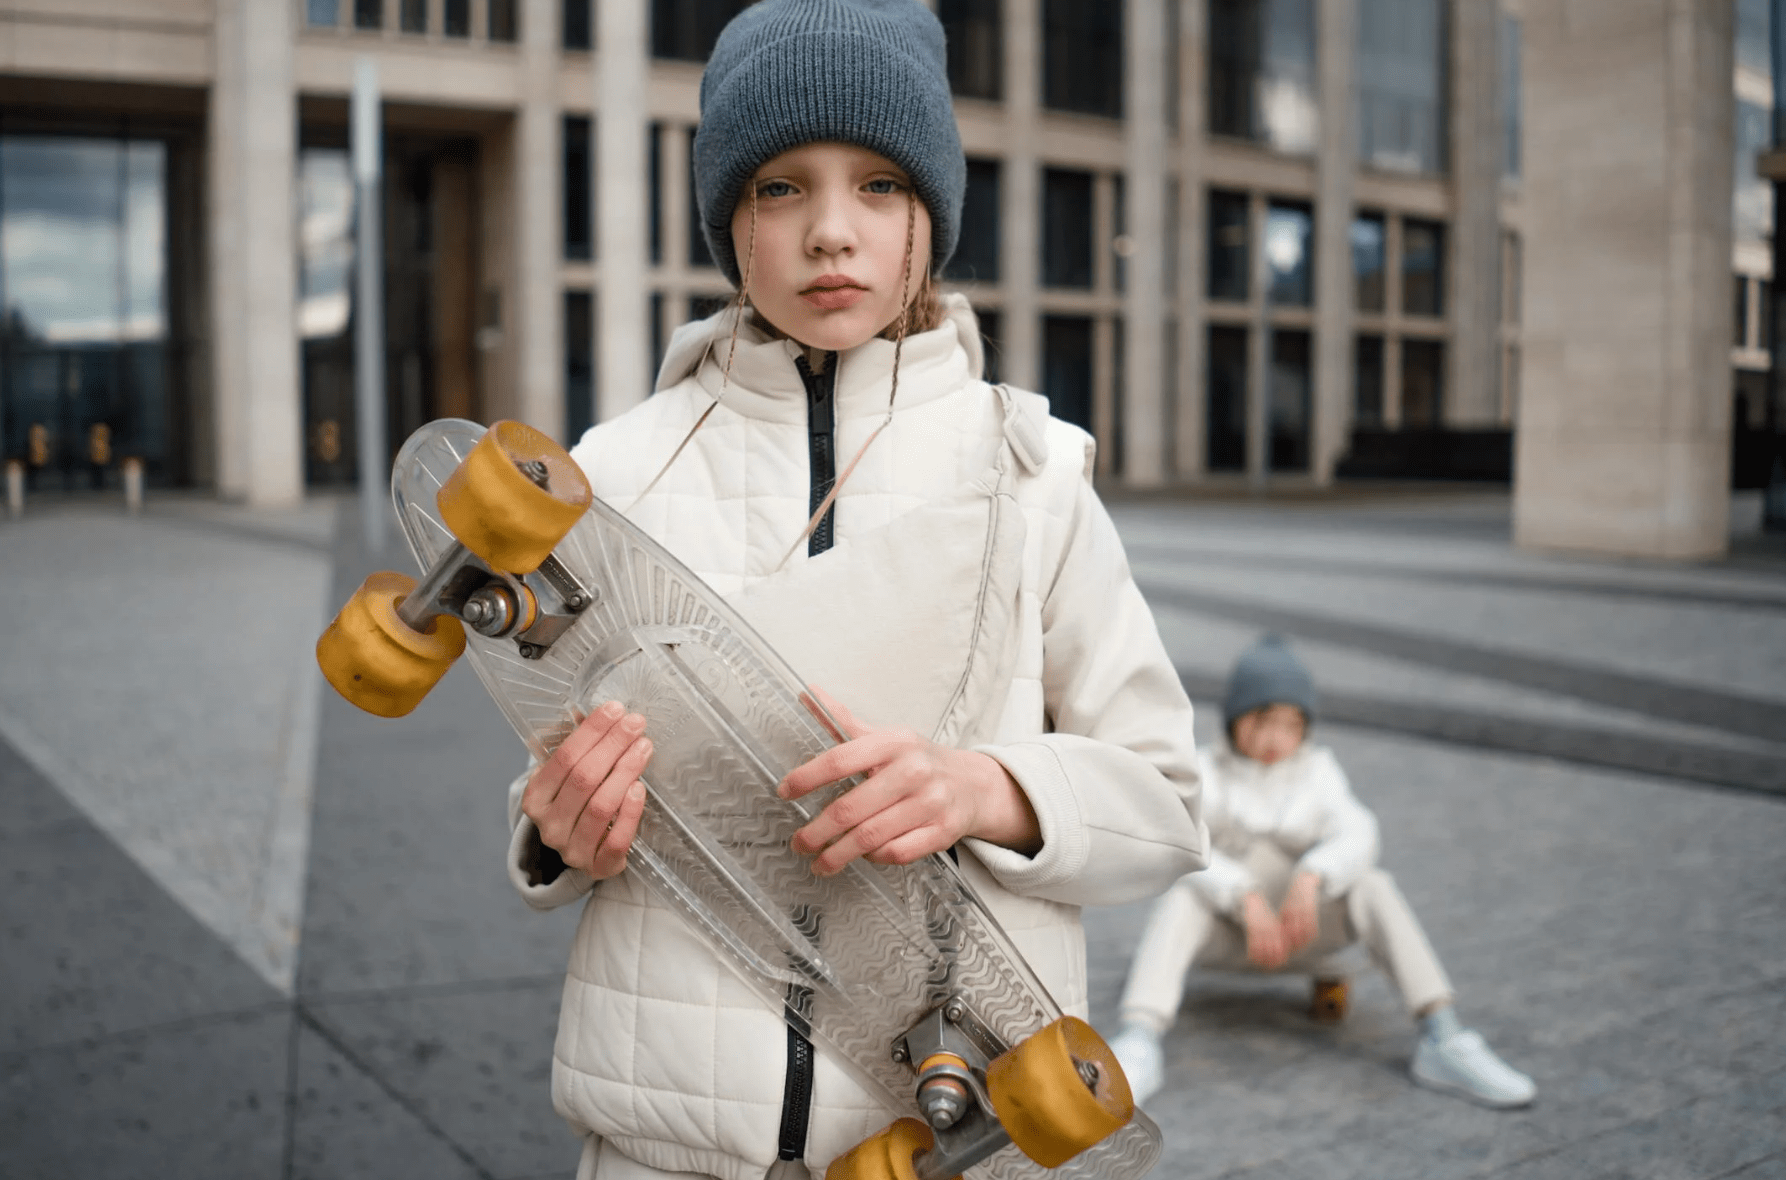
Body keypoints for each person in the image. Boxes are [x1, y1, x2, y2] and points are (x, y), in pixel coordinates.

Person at [502, 3, 1209, 1177]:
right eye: (781, 187)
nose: (832, 231)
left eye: (879, 184)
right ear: (731, 216)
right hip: (663, 1141)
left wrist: (987, 788)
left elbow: (1167, 799)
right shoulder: (614, 473)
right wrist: (553, 828)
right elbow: (539, 786)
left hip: (938, 1132)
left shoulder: (1030, 470)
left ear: (931, 210)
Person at [1108, 634, 1536, 1110]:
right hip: (1232, 938)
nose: (1277, 739)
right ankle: (1138, 1042)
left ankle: (1444, 1036)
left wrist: (1313, 876)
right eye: (1264, 721)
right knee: (1184, 893)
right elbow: (1182, 844)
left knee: (1374, 885)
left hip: (1302, 936)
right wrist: (1244, 895)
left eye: (1292, 725)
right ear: (1235, 716)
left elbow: (1360, 831)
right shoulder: (1203, 769)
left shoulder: (1319, 770)